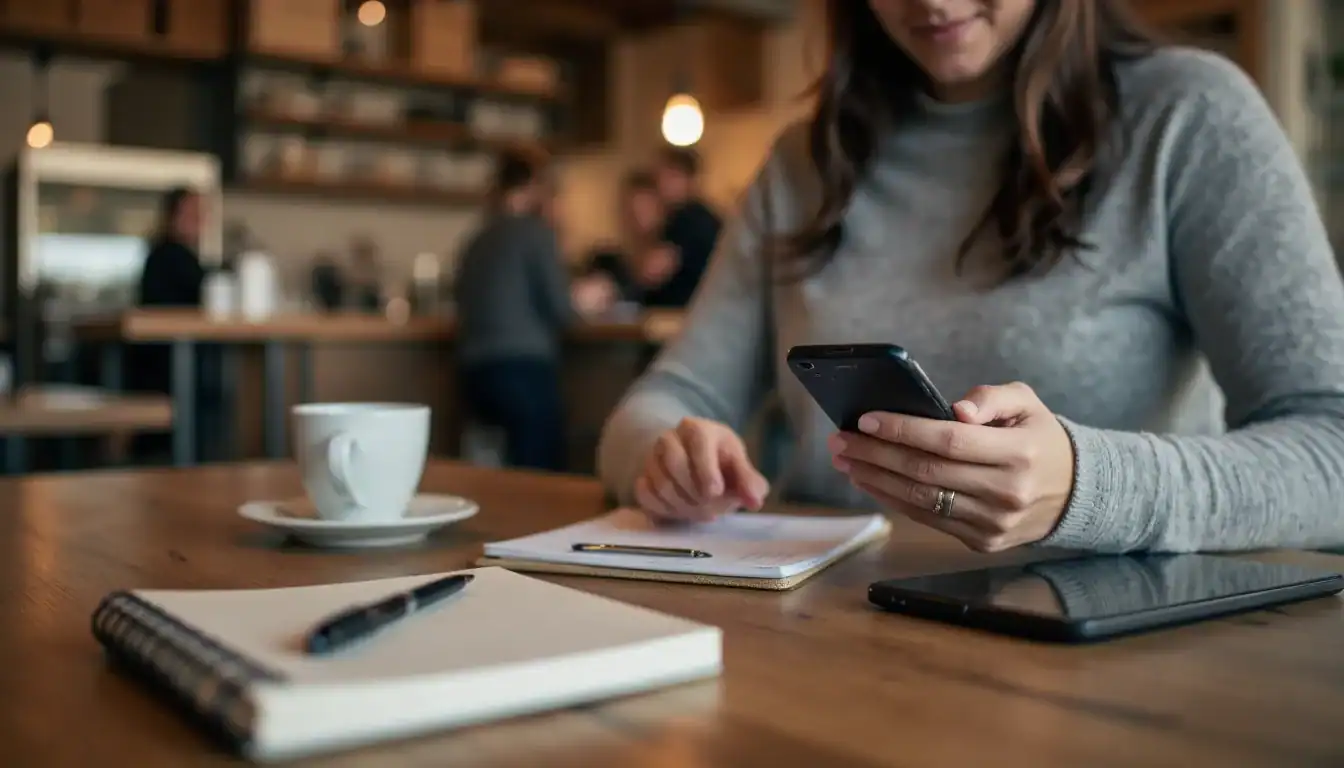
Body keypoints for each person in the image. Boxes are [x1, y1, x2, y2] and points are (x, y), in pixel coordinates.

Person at [596, 0, 1344, 555]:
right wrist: (662, 457)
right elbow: (667, 399)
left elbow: (1331, 450)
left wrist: (1089, 485)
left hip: (1109, 665)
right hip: (827, 633)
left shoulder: (1187, 116)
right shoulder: (802, 162)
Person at [454, 150, 576, 472]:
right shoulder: (535, 234)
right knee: (540, 474)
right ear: (533, 186)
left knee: (492, 475)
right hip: (523, 369)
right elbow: (561, 309)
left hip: (474, 372)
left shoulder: (476, 240)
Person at [639, 148, 722, 307]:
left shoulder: (689, 219)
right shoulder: (706, 217)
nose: (660, 184)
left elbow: (654, 271)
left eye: (669, 176)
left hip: (684, 314)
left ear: (687, 179)